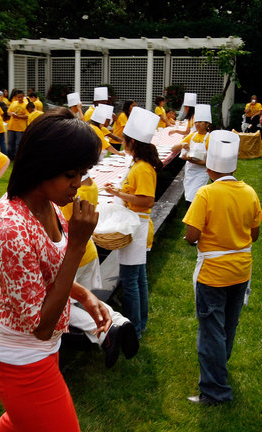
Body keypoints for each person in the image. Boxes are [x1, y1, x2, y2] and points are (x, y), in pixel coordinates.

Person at [0, 108, 111, 431]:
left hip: (37, 346)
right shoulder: (11, 227)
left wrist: (84, 295)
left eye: (82, 172)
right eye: (70, 174)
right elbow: (40, 324)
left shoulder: (48, 205)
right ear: (42, 166)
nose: (78, 184)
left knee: (21, 421)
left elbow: (48, 273)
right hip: (16, 351)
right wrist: (78, 244)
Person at [183, 129, 262, 405]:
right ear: (235, 165)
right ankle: (219, 369)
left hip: (213, 274)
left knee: (211, 330)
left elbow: (192, 235)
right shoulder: (250, 192)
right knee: (229, 324)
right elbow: (254, 234)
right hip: (241, 269)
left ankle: (215, 390)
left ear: (208, 167)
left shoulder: (205, 194)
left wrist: (194, 236)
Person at [61, 174, 139, 368]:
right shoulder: (91, 186)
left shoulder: (68, 197)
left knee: (62, 306)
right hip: (88, 251)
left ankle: (105, 331)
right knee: (84, 300)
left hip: (72, 256)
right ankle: (119, 321)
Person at [105, 107, 162, 339]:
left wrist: (120, 195)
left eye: (126, 141)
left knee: (130, 281)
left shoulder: (143, 169)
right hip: (135, 223)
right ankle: (141, 324)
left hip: (135, 227)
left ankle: (135, 329)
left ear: (133, 143)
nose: (123, 144)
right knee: (138, 278)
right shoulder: (137, 164)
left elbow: (147, 199)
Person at [171, 104, 212, 204]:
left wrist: (190, 159)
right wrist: (182, 145)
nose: (197, 124)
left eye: (200, 122)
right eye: (196, 122)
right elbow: (173, 149)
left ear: (207, 124)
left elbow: (209, 163)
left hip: (201, 173)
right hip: (189, 172)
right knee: (189, 196)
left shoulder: (209, 138)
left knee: (194, 198)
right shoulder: (192, 136)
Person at [7, 88, 29, 159]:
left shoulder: (26, 104)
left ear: (24, 96)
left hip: (20, 127)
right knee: (10, 142)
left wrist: (18, 116)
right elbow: (8, 112)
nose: (20, 98)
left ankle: (17, 157)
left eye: (21, 97)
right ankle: (10, 156)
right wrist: (11, 114)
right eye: (18, 97)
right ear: (16, 97)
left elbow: (27, 115)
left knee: (18, 143)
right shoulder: (13, 103)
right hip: (12, 126)